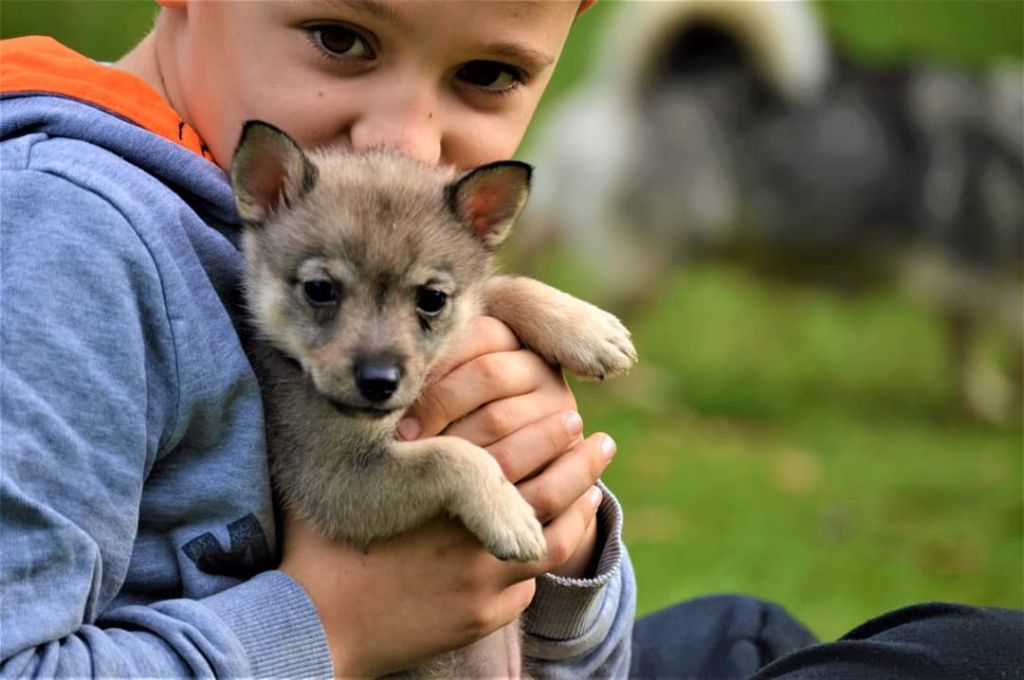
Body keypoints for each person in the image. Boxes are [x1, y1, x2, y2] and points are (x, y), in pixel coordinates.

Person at [3, 2, 1022, 679]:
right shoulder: (71, 242)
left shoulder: (367, 235)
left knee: (761, 632)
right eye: (341, 38)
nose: (405, 139)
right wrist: (338, 625)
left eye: (487, 73)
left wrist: (560, 558)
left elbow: (576, 659)